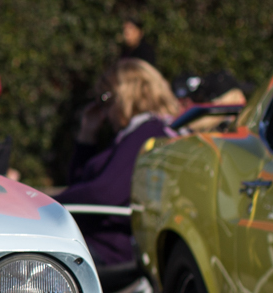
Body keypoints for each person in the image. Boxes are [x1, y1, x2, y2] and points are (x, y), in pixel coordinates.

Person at [54, 58, 181, 270]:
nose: (103, 110)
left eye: (105, 98)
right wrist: (87, 135)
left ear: (126, 94)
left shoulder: (148, 133)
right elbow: (80, 185)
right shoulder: (134, 134)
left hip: (111, 250)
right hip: (95, 243)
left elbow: (104, 193)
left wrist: (48, 204)